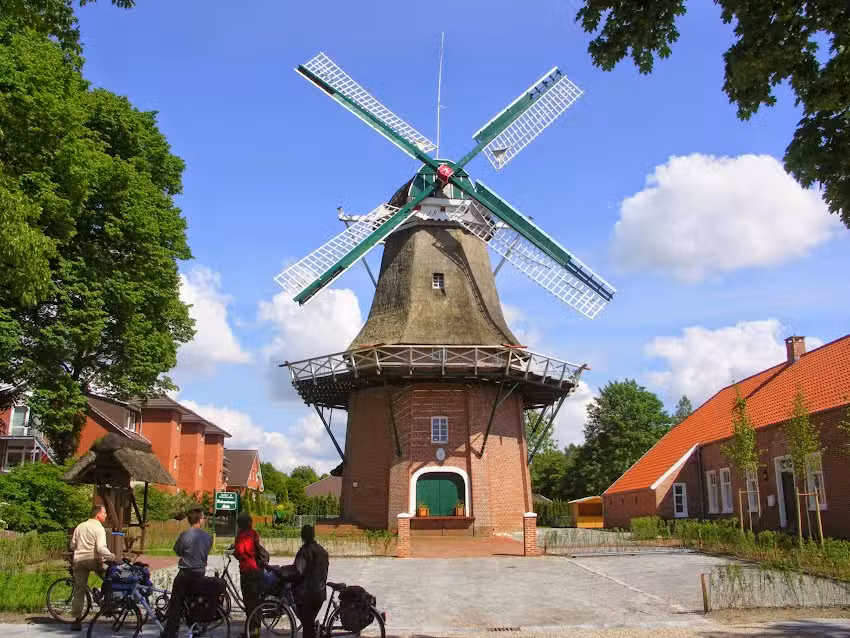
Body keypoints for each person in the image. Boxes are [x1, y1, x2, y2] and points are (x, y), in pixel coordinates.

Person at [162, 507, 212, 638]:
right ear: (200, 520)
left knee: (175, 604)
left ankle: (171, 631)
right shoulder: (207, 537)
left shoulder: (185, 535)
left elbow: (178, 551)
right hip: (200, 574)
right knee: (195, 602)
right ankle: (195, 628)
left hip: (185, 574)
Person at [69, 504, 116, 631]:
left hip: (79, 561)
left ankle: (77, 621)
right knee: (111, 578)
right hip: (93, 560)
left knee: (79, 590)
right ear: (98, 515)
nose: (106, 515)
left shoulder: (80, 526)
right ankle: (107, 603)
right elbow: (101, 548)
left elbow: (72, 545)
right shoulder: (99, 528)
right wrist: (112, 556)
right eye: (104, 513)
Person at [284, 525, 329, 638]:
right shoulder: (322, 550)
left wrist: (285, 574)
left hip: (307, 595)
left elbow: (298, 572)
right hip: (320, 593)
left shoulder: (304, 552)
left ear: (302, 536)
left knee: (307, 627)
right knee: (309, 623)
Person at [233, 512, 264, 638]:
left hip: (247, 571)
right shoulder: (254, 533)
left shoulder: (241, 536)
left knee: (249, 602)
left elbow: (239, 553)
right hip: (257, 569)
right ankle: (254, 628)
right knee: (255, 600)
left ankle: (253, 631)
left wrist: (234, 552)